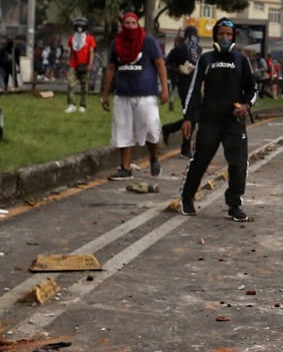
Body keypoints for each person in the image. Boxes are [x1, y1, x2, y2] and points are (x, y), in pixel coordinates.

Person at [178, 17, 258, 222]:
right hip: (209, 120)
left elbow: (252, 89)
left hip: (234, 122)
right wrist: (188, 118)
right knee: (199, 161)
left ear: (233, 37)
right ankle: (187, 198)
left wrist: (246, 105)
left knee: (239, 164)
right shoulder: (206, 59)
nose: (224, 38)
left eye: (228, 35)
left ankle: (234, 204)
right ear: (215, 36)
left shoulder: (241, 60)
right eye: (221, 34)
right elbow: (194, 90)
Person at [100, 12, 169, 180]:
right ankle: (125, 168)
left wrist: (164, 88)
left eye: (133, 23)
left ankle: (153, 156)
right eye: (127, 23)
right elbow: (110, 68)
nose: (130, 26)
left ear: (138, 24)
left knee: (151, 128)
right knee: (123, 132)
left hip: (146, 94)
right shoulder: (116, 43)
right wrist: (105, 94)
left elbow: (160, 64)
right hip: (123, 94)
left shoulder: (148, 41)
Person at [162, 26, 202, 158]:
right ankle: (185, 148)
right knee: (190, 116)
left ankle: (169, 129)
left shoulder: (198, 49)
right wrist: (178, 69)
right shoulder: (179, 49)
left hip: (196, 85)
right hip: (184, 85)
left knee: (195, 117)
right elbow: (167, 64)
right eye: (192, 35)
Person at [65, 17, 96, 113]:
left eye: (81, 26)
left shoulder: (90, 39)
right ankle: (71, 104)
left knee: (84, 87)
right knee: (70, 84)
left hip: (85, 65)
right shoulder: (71, 39)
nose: (79, 28)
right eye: (78, 26)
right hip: (73, 65)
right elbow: (71, 52)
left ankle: (83, 105)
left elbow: (91, 52)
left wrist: (90, 64)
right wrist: (68, 62)